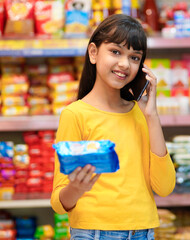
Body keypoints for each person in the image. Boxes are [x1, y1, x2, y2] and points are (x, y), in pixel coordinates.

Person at [50, 14, 176, 240]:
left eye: (135, 57)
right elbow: (59, 202)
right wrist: (77, 189)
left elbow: (165, 187)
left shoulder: (141, 114)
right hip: (93, 233)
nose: (125, 64)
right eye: (116, 52)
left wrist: (152, 116)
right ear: (93, 52)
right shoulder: (75, 115)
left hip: (143, 232)